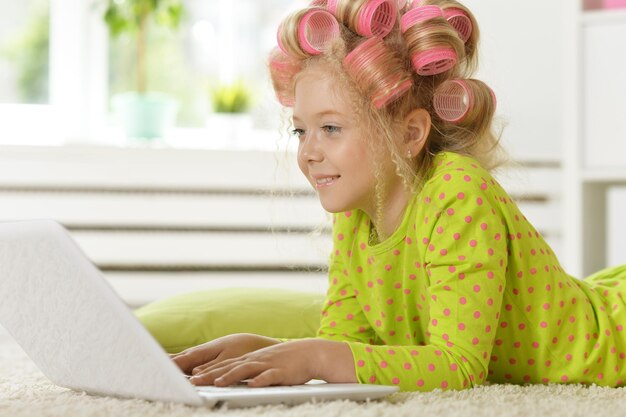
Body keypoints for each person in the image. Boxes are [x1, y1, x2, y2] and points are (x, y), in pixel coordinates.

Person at [171, 0, 626, 392]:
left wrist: (314, 357)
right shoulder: (356, 212)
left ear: (410, 133)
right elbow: (347, 345)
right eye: (300, 130)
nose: (308, 152)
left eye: (330, 128)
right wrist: (266, 349)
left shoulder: (457, 193)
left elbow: (459, 366)